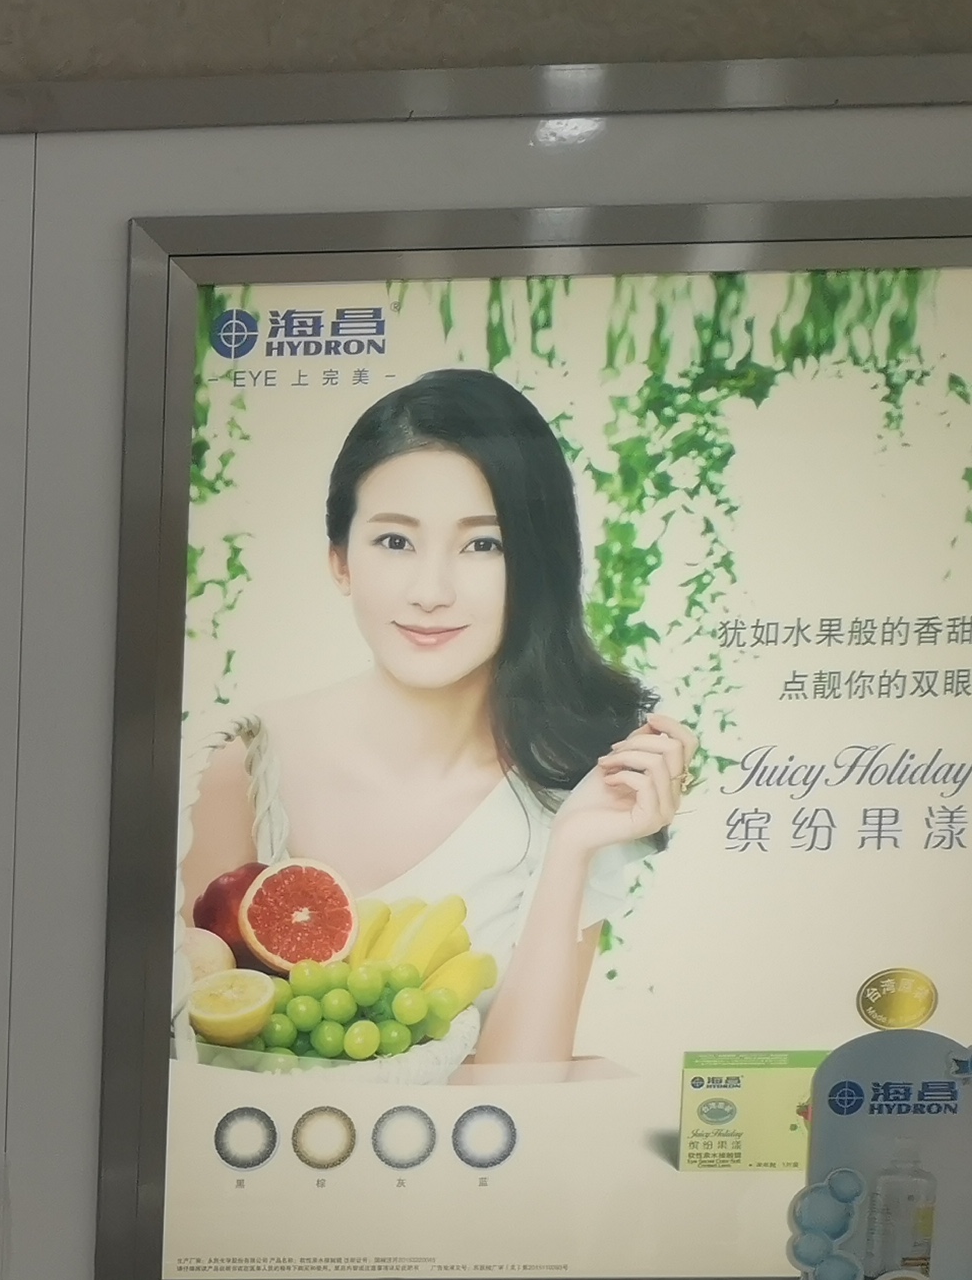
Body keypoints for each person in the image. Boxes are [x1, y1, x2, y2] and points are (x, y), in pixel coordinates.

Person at [181, 366, 691, 1074]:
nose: (431, 592)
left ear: (535, 567)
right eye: (395, 541)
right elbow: (199, 1054)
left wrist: (573, 845)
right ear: (340, 561)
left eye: (484, 544)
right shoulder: (241, 766)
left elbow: (524, 1094)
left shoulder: (565, 788)